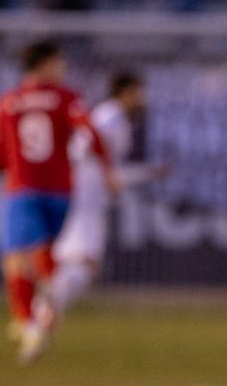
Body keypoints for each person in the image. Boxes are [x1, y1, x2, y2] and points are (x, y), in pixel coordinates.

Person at [0, 40, 119, 364]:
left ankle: (30, 324)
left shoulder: (7, 103)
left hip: (23, 188)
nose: (63, 69)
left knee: (16, 260)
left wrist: (12, 162)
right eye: (60, 63)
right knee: (45, 257)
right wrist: (107, 170)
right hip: (61, 190)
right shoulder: (66, 98)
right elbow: (90, 132)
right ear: (44, 64)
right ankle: (45, 315)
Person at [42, 70, 169, 333]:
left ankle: (46, 310)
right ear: (126, 91)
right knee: (84, 264)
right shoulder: (110, 116)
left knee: (81, 265)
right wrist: (100, 175)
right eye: (138, 93)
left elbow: (111, 171)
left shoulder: (116, 119)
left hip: (89, 196)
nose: (142, 99)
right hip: (84, 197)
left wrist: (147, 172)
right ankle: (47, 301)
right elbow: (84, 148)